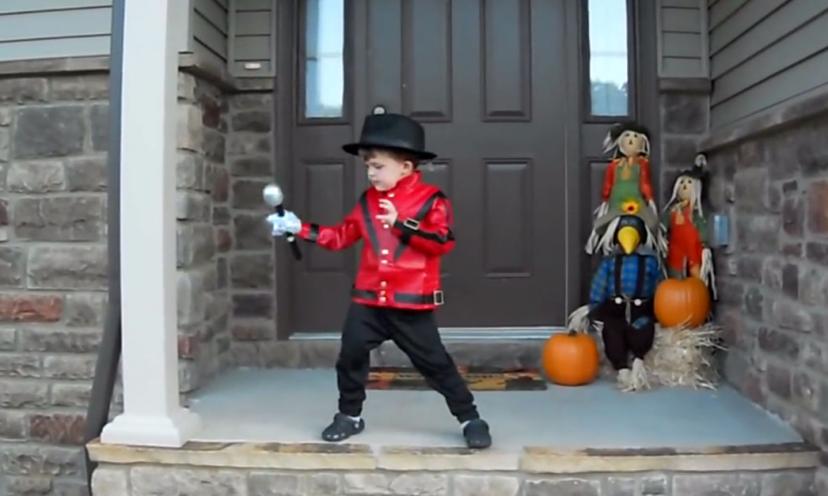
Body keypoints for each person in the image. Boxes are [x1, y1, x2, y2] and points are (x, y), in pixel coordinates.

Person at [266, 113, 492, 449]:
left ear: (406, 167)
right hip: (369, 301)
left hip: (411, 304)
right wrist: (300, 228)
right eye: (368, 166)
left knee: (436, 364)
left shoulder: (432, 200)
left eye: (378, 166)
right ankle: (349, 415)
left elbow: (442, 242)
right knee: (351, 355)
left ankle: (470, 418)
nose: (371, 173)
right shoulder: (367, 201)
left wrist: (402, 223)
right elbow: (341, 236)